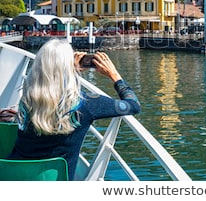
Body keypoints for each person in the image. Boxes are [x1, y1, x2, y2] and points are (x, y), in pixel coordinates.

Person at [8, 38, 141, 180]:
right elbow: (133, 105)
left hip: (12, 177)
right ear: (68, 68)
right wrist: (114, 75)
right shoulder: (87, 104)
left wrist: (70, 71)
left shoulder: (26, 99)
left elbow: (52, 92)